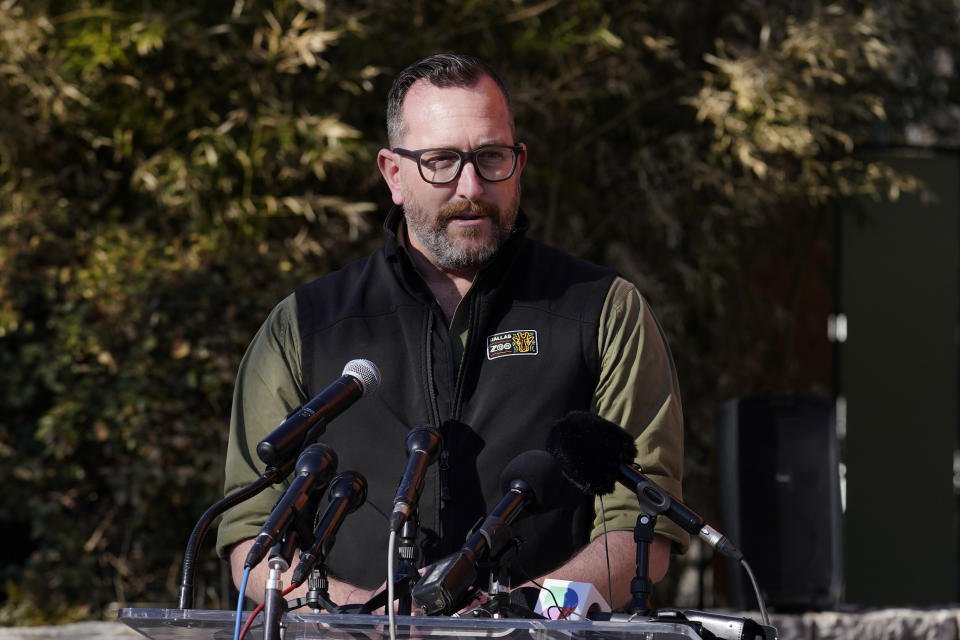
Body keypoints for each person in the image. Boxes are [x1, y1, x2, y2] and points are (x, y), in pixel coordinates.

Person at [216, 52, 689, 610]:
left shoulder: (604, 311)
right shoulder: (305, 324)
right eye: (440, 160)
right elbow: (252, 534)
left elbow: (641, 531)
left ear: (520, 162)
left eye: (491, 157)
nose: (471, 185)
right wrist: (356, 619)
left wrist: (514, 615)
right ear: (393, 174)